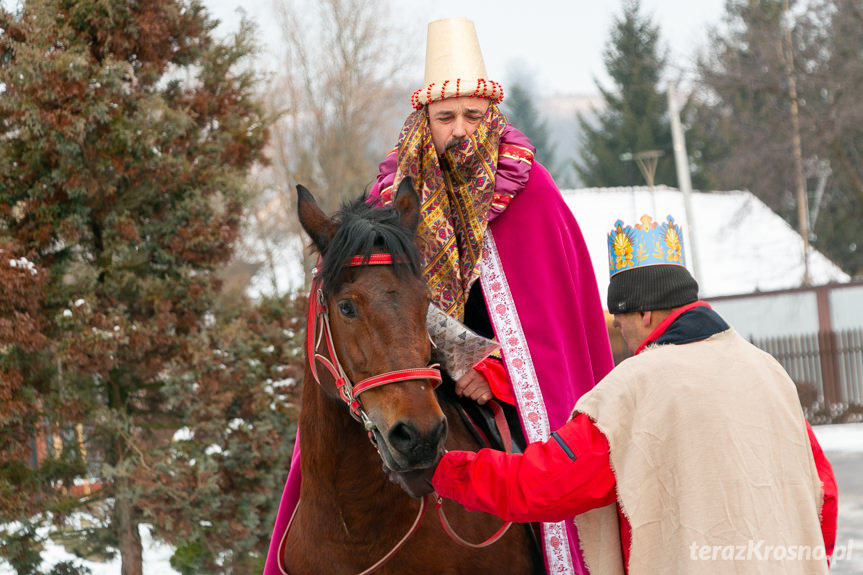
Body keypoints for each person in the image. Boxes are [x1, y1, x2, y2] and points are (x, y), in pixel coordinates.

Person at [263, 17, 614, 575]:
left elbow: (550, 327)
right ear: (424, 117)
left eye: (474, 116)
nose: (460, 131)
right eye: (446, 117)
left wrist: (496, 367)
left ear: (491, 115)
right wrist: (455, 354)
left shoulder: (532, 193)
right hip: (410, 370)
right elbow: (385, 300)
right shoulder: (390, 197)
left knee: (549, 481)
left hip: (513, 387)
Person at [387, 215, 839, 574]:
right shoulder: (768, 372)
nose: (620, 334)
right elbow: (824, 494)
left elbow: (540, 485)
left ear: (643, 311)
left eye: (619, 320)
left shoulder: (635, 388)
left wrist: (443, 472)